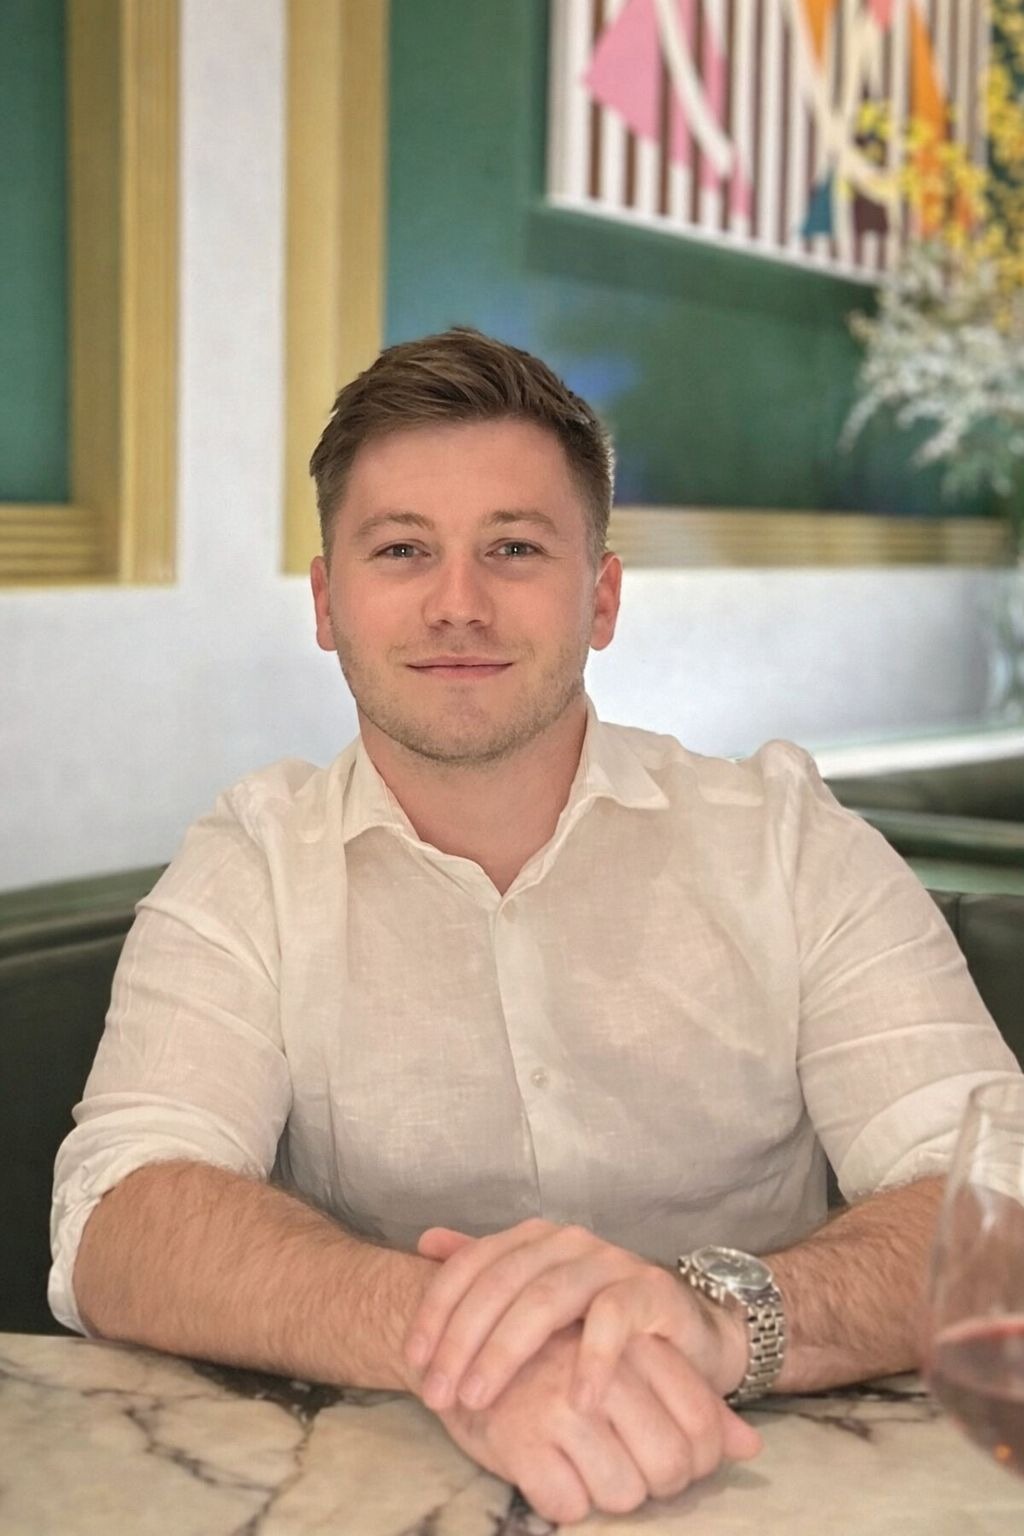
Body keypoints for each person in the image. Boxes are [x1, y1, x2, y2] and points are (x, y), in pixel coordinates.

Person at [51, 328, 1018, 1525]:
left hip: (779, 1478)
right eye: (402, 549)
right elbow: (119, 1210)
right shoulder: (249, 862)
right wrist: (453, 1336)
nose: (457, 604)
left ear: (600, 596)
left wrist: (721, 1318)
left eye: (514, 548)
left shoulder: (788, 839)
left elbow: (998, 1196)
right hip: (375, 1487)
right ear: (326, 601)